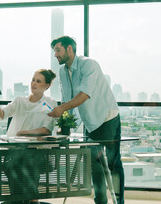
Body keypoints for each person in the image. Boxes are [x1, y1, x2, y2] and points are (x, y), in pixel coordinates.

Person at [48, 36, 124, 204]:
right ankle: (101, 201)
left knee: (112, 164)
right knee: (95, 164)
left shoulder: (89, 65)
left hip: (107, 118)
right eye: (54, 51)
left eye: (58, 50)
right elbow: (67, 98)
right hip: (90, 122)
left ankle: (120, 201)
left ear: (69, 49)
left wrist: (61, 109)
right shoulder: (62, 71)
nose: (55, 55)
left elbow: (84, 95)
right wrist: (64, 126)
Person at [0, 69, 57, 204]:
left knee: (24, 162)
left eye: (38, 81)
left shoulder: (48, 103)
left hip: (36, 151)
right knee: (19, 162)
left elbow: (46, 130)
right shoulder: (20, 101)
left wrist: (24, 132)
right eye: (33, 80)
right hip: (15, 150)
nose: (34, 84)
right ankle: (29, 198)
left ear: (47, 86)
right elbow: (2, 114)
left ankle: (23, 198)